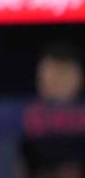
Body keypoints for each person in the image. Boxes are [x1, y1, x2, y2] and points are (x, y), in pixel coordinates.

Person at [23, 43, 84, 177]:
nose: (55, 82)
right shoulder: (26, 115)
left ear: (79, 77)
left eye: (62, 74)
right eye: (49, 75)